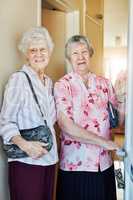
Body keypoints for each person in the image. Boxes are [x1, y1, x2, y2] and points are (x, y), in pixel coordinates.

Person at [54, 35, 120, 200]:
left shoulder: (105, 83)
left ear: (90, 54)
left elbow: (116, 119)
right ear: (69, 57)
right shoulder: (63, 85)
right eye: (75, 53)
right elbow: (66, 126)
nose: (81, 57)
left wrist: (126, 100)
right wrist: (104, 143)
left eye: (84, 52)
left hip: (104, 163)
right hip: (75, 165)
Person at [0, 26, 58, 200]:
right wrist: (26, 146)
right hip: (27, 161)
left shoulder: (48, 82)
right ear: (26, 54)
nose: (38, 54)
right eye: (33, 50)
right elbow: (5, 122)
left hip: (50, 157)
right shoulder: (18, 79)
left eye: (43, 49)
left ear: (49, 52)